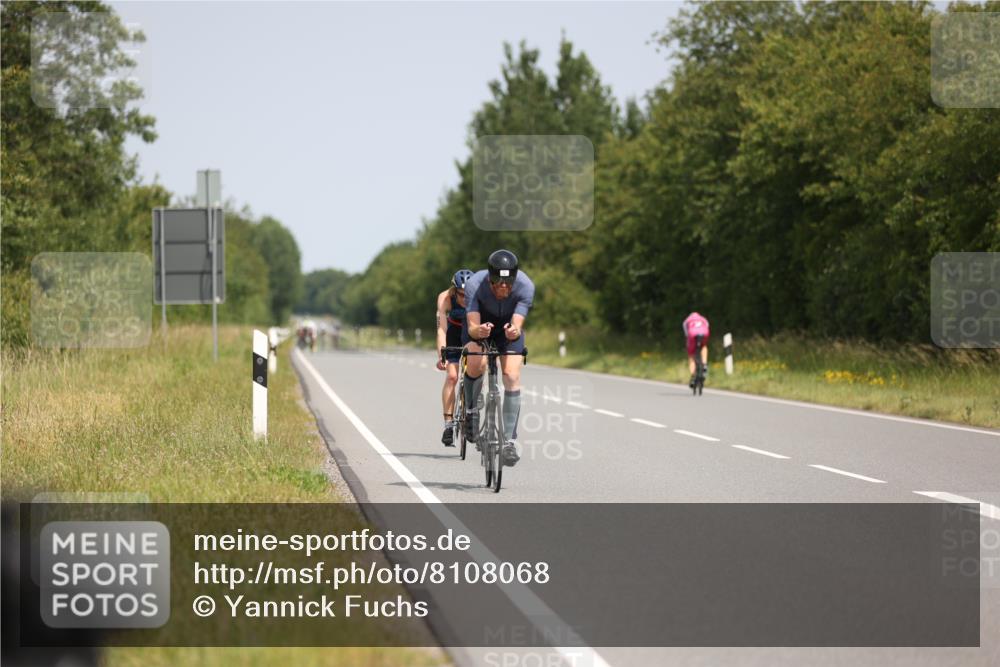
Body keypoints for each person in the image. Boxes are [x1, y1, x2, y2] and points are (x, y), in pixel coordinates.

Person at [462, 249, 534, 467]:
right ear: (490, 279)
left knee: (511, 375)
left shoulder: (525, 286)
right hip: (480, 327)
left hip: (506, 331)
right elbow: (473, 326)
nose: (504, 287)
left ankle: (510, 442)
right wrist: (478, 331)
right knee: (477, 361)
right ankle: (472, 411)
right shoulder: (475, 284)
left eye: (508, 282)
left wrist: (514, 331)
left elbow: (517, 324)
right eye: (498, 282)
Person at [435, 269, 474, 446]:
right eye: (460, 294)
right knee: (452, 376)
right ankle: (449, 425)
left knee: (476, 370)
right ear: (454, 290)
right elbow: (442, 329)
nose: (464, 298)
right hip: (453, 331)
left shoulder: (478, 297)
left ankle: (473, 411)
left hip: (472, 332)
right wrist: (441, 355)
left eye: (468, 294)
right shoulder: (445, 298)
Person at [683, 311, 710, 388]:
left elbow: (686, 334)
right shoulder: (703, 319)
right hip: (704, 332)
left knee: (691, 355)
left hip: (692, 333)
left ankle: (693, 376)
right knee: (704, 346)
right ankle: (704, 364)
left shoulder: (686, 321)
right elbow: (707, 327)